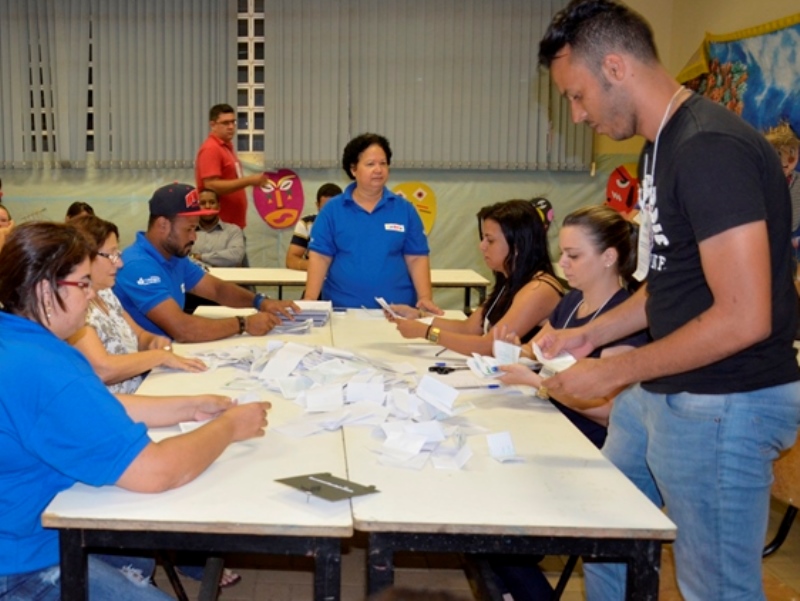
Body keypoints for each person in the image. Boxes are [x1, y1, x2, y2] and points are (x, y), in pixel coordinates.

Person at [536, 1, 800, 600]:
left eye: (578, 96)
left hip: (725, 402)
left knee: (717, 588)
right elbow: (669, 283)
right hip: (666, 393)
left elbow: (744, 315)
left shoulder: (707, 148)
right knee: (607, 535)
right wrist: (590, 337)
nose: (577, 115)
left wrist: (615, 370)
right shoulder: (659, 147)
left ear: (615, 67)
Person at [0, 221, 269, 600]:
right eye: (82, 284)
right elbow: (156, 471)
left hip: (21, 530)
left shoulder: (16, 338)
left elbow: (94, 408)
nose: (92, 294)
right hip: (21, 564)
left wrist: (190, 406)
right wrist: (229, 427)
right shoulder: (46, 367)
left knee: (137, 558)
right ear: (45, 291)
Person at [113, 182, 298, 343]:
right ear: (163, 225)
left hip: (165, 357)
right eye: (190, 229)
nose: (194, 237)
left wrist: (260, 302)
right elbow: (183, 329)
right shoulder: (137, 266)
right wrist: (244, 323)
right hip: (142, 374)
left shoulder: (174, 257)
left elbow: (217, 290)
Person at [389, 200, 562, 356]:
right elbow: (469, 328)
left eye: (490, 240)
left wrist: (427, 332)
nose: (482, 246)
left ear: (517, 246)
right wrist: (419, 316)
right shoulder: (510, 280)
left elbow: (489, 346)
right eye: (483, 239)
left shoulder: (539, 289)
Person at [67, 214, 207, 394]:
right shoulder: (77, 309)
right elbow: (103, 369)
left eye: (117, 254)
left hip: (139, 392)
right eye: (111, 255)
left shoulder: (106, 293)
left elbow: (139, 335)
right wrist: (158, 356)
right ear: (85, 257)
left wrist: (154, 342)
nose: (119, 263)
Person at [304, 133, 441, 312]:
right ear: (353, 169)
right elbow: (320, 258)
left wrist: (425, 298)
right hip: (344, 312)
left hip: (398, 312)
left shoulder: (405, 210)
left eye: (383, 163)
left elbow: (416, 258)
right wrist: (309, 301)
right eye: (370, 164)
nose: (378, 170)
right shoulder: (332, 211)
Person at [195, 103, 266, 229]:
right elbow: (211, 185)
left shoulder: (226, 147)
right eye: (225, 123)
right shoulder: (211, 149)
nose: (231, 127)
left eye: (233, 122)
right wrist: (249, 180)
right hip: (219, 226)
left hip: (230, 225)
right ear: (213, 125)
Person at [765, 122, 800, 268]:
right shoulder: (765, 181)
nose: (788, 160)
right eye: (779, 153)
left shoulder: (798, 179)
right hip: (773, 239)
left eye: (792, 152)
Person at [285, 182, 343, 271]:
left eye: (334, 209)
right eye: (325, 209)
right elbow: (291, 260)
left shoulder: (353, 224)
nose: (329, 214)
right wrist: (317, 266)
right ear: (317, 206)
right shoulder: (306, 224)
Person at [191, 188, 246, 268]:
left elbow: (236, 256)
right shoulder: (188, 232)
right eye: (202, 203)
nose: (207, 206)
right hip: (195, 279)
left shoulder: (233, 231)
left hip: (227, 279)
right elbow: (183, 259)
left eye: (212, 202)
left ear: (219, 206)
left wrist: (201, 257)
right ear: (196, 207)